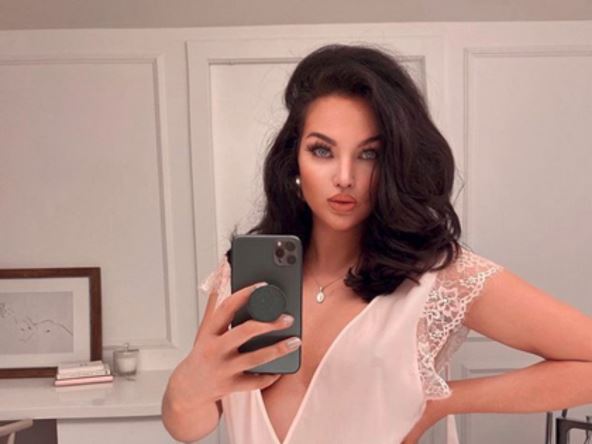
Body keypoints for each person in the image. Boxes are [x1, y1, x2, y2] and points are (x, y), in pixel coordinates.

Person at [162, 44, 592, 444]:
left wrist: (443, 401)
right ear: (293, 161)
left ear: (396, 164)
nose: (344, 177)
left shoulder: (438, 277)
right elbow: (190, 426)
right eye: (322, 151)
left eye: (369, 154)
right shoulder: (239, 274)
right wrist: (188, 384)